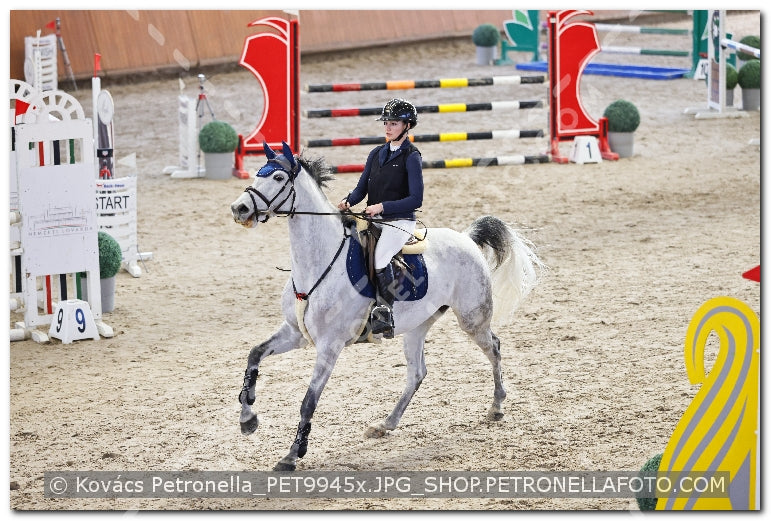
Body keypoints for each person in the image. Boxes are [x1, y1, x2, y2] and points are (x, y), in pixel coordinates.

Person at [337, 98, 424, 338]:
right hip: (375, 219)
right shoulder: (376, 153)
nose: (387, 127)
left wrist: (382, 207)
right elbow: (361, 189)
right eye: (386, 122)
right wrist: (348, 201)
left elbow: (416, 199)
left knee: (380, 258)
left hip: (400, 221)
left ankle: (384, 311)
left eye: (393, 123)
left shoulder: (411, 156)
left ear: (407, 126)